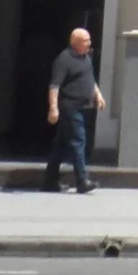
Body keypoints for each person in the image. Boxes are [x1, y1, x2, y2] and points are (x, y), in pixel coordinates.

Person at [45, 25, 104, 193]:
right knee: (79, 141)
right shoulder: (63, 60)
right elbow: (54, 85)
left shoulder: (86, 57)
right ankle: (82, 180)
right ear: (75, 43)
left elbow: (89, 79)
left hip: (85, 107)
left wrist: (98, 95)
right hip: (70, 107)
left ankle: (50, 180)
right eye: (86, 41)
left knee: (61, 145)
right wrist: (53, 108)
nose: (89, 43)